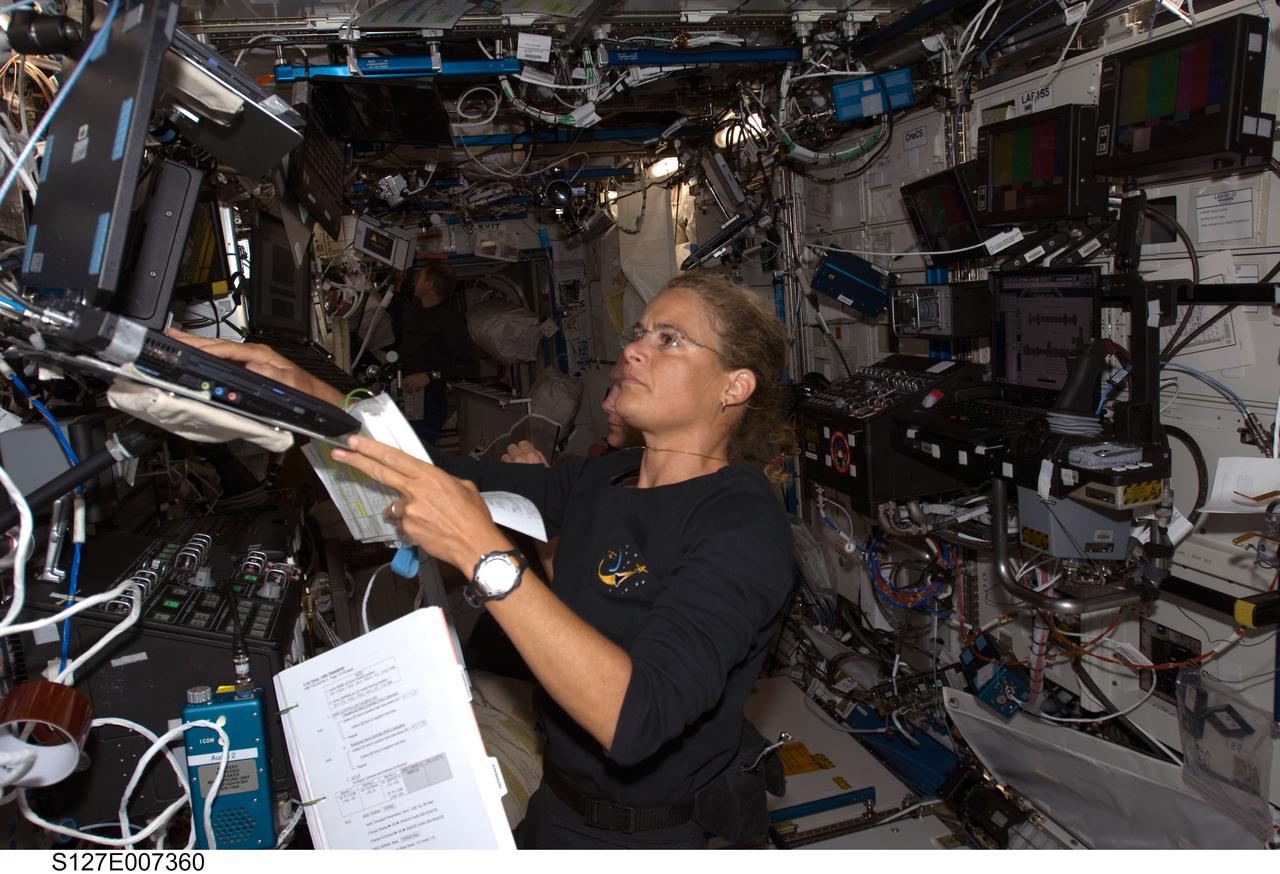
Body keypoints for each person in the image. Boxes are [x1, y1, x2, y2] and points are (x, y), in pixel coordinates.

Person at [169, 272, 794, 849]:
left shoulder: (741, 523)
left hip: (655, 837)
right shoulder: (606, 478)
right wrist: (310, 399)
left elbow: (637, 717)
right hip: (560, 808)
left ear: (734, 386)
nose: (634, 349)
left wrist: (483, 553)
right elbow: (439, 473)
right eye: (638, 333)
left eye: (670, 339)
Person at [395, 260, 479, 443]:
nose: (416, 282)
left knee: (419, 451)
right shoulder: (417, 307)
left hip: (429, 401)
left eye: (420, 278)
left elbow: (471, 367)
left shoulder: (450, 321)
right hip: (406, 393)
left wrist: (430, 376)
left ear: (429, 284)